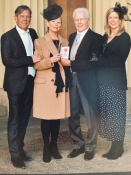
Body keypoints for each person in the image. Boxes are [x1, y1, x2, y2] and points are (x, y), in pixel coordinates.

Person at [1, 5, 41, 168]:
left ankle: (20, 148)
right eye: (22, 16)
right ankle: (15, 155)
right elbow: (7, 60)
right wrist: (29, 59)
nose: (25, 19)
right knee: (15, 119)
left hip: (31, 81)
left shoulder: (33, 33)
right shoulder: (7, 37)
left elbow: (40, 53)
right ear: (16, 17)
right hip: (15, 84)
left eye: (28, 16)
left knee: (25, 118)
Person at [60, 7, 102, 160]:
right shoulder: (71, 37)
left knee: (90, 114)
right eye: (76, 19)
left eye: (81, 19)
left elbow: (93, 62)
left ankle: (90, 146)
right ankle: (78, 144)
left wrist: (71, 64)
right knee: (73, 113)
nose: (78, 22)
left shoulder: (96, 38)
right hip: (72, 80)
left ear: (88, 20)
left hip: (88, 80)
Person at [33, 4, 72, 163]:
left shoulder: (65, 41)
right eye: (54, 22)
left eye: (59, 22)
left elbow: (67, 63)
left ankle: (54, 146)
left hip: (59, 84)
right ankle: (46, 148)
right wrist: (50, 60)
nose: (57, 25)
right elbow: (36, 65)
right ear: (48, 23)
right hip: (44, 86)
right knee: (46, 119)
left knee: (56, 118)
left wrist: (65, 62)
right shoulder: (39, 41)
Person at [97, 2, 130, 160]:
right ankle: (113, 146)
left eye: (115, 17)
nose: (112, 20)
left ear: (120, 20)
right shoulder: (104, 37)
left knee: (117, 115)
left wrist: (99, 61)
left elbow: (118, 60)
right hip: (103, 81)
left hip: (116, 82)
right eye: (110, 17)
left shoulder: (124, 37)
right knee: (109, 115)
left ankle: (119, 147)